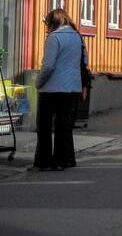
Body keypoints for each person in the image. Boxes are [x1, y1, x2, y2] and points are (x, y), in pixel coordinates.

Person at [33, 9, 88, 171]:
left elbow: (48, 65)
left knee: (44, 126)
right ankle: (65, 160)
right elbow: (84, 60)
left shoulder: (54, 37)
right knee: (64, 126)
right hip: (72, 88)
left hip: (51, 88)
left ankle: (44, 162)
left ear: (52, 22)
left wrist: (38, 82)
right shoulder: (78, 37)